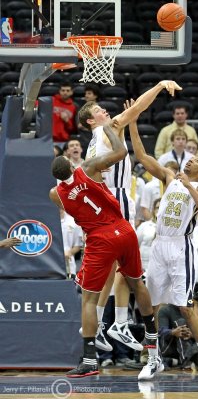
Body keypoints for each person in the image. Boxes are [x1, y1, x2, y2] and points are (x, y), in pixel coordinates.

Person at [77, 80, 182, 376]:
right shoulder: (107, 128)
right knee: (129, 271)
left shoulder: (90, 147)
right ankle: (119, 322)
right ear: (90, 120)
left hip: (103, 209)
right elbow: (138, 107)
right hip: (119, 201)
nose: (104, 110)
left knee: (115, 269)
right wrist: (160, 85)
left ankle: (105, 325)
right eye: (98, 110)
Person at [49, 124, 161, 380]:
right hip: (124, 229)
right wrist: (108, 130)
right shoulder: (88, 169)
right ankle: (151, 338)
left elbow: (67, 193)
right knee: (137, 284)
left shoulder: (56, 194)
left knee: (88, 300)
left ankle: (89, 359)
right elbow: (122, 152)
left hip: (99, 239)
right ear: (71, 163)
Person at [127, 101, 198, 381]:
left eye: (196, 160)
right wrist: (132, 120)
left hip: (181, 247)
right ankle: (154, 360)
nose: (190, 159)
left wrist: (190, 185)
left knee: (185, 307)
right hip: (159, 246)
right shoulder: (168, 176)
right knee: (150, 306)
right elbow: (141, 155)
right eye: (188, 157)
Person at [136, 199, 160, 273]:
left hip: (160, 267)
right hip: (144, 267)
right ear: (153, 210)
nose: (160, 210)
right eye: (157, 207)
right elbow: (136, 244)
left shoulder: (170, 229)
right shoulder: (144, 226)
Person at [60, 209, 83, 279]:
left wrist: (69, 252)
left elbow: (78, 245)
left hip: (69, 265)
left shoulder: (73, 222)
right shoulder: (47, 220)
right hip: (50, 265)